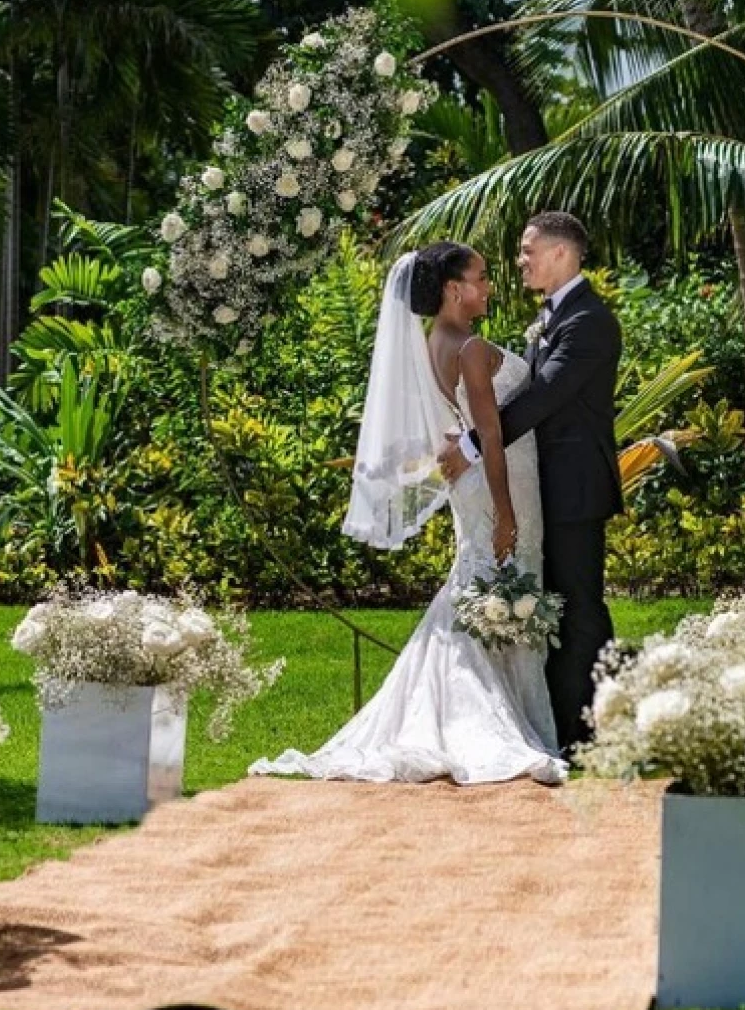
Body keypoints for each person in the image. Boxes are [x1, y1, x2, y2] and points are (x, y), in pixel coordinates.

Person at [249, 241, 564, 785]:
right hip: (499, 484)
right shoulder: (468, 347)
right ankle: (486, 722)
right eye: (481, 277)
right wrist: (508, 513)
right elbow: (489, 435)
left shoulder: (430, 342)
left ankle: (481, 708)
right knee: (501, 580)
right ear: (452, 288)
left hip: (479, 487)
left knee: (479, 585)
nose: (488, 286)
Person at [437, 211, 621, 754]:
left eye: (527, 251)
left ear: (562, 254)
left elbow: (545, 397)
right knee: (563, 608)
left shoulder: (588, 321)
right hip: (546, 486)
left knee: (580, 608)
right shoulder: (554, 316)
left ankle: (593, 731)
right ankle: (571, 727)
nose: (519, 262)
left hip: (574, 488)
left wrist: (473, 445)